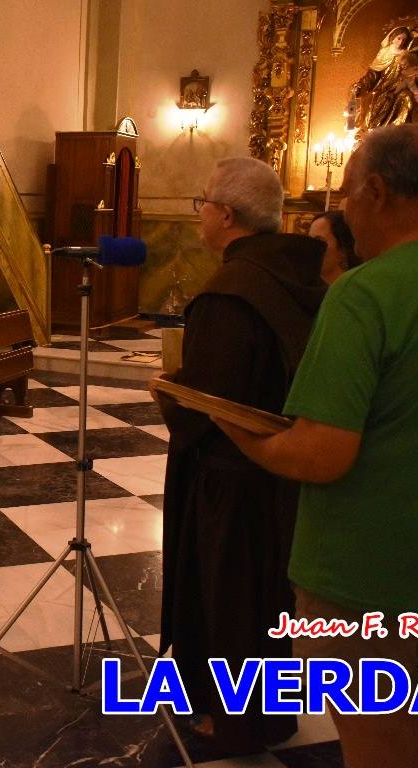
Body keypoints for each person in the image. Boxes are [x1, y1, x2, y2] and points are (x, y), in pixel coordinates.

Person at [216, 125, 418, 768]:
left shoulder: (366, 292)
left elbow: (321, 454)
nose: (346, 208)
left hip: (364, 579)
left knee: (377, 748)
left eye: (349, 193)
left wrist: (234, 428)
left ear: (378, 191)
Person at [157, 157, 326, 752]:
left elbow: (209, 404)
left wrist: (171, 385)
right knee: (268, 595)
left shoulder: (230, 292)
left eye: (201, 201)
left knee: (228, 596)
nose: (199, 212)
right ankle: (273, 709)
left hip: (232, 476)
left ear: (224, 215)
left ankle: (230, 721)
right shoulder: (310, 279)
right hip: (288, 466)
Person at [346, 26, 418, 136]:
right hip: (384, 88)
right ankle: (376, 133)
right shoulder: (384, 53)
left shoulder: (406, 54)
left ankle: (400, 133)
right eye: (398, 38)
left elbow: (414, 70)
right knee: (380, 102)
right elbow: (373, 74)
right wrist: (361, 85)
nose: (400, 42)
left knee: (407, 98)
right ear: (392, 37)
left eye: (403, 40)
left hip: (402, 86)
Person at [308, 210, 361, 285]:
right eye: (309, 240)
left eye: (318, 241)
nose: (309, 247)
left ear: (342, 250)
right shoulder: (307, 290)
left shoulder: (355, 291)